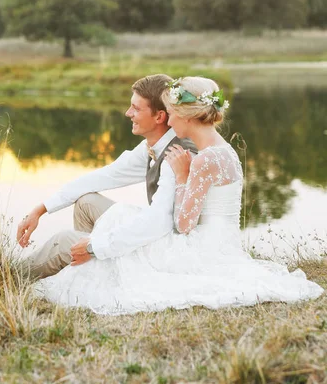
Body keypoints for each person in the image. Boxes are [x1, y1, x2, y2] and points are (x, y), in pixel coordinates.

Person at [36, 76, 323, 315]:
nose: (169, 122)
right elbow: (110, 175)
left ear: (186, 115)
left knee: (114, 233)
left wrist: (184, 175)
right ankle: (86, 261)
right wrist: (42, 208)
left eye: (172, 114)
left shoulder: (198, 159)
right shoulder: (222, 151)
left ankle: (32, 271)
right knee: (114, 217)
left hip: (202, 246)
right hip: (223, 242)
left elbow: (183, 224)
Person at [17, 74, 197, 279]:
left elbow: (158, 222)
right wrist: (40, 210)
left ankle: (4, 279)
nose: (128, 113)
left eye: (136, 109)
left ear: (159, 117)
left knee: (64, 241)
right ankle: (85, 271)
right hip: (157, 228)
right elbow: (103, 176)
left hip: (166, 243)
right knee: (86, 201)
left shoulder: (177, 155)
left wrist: (96, 246)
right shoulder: (155, 144)